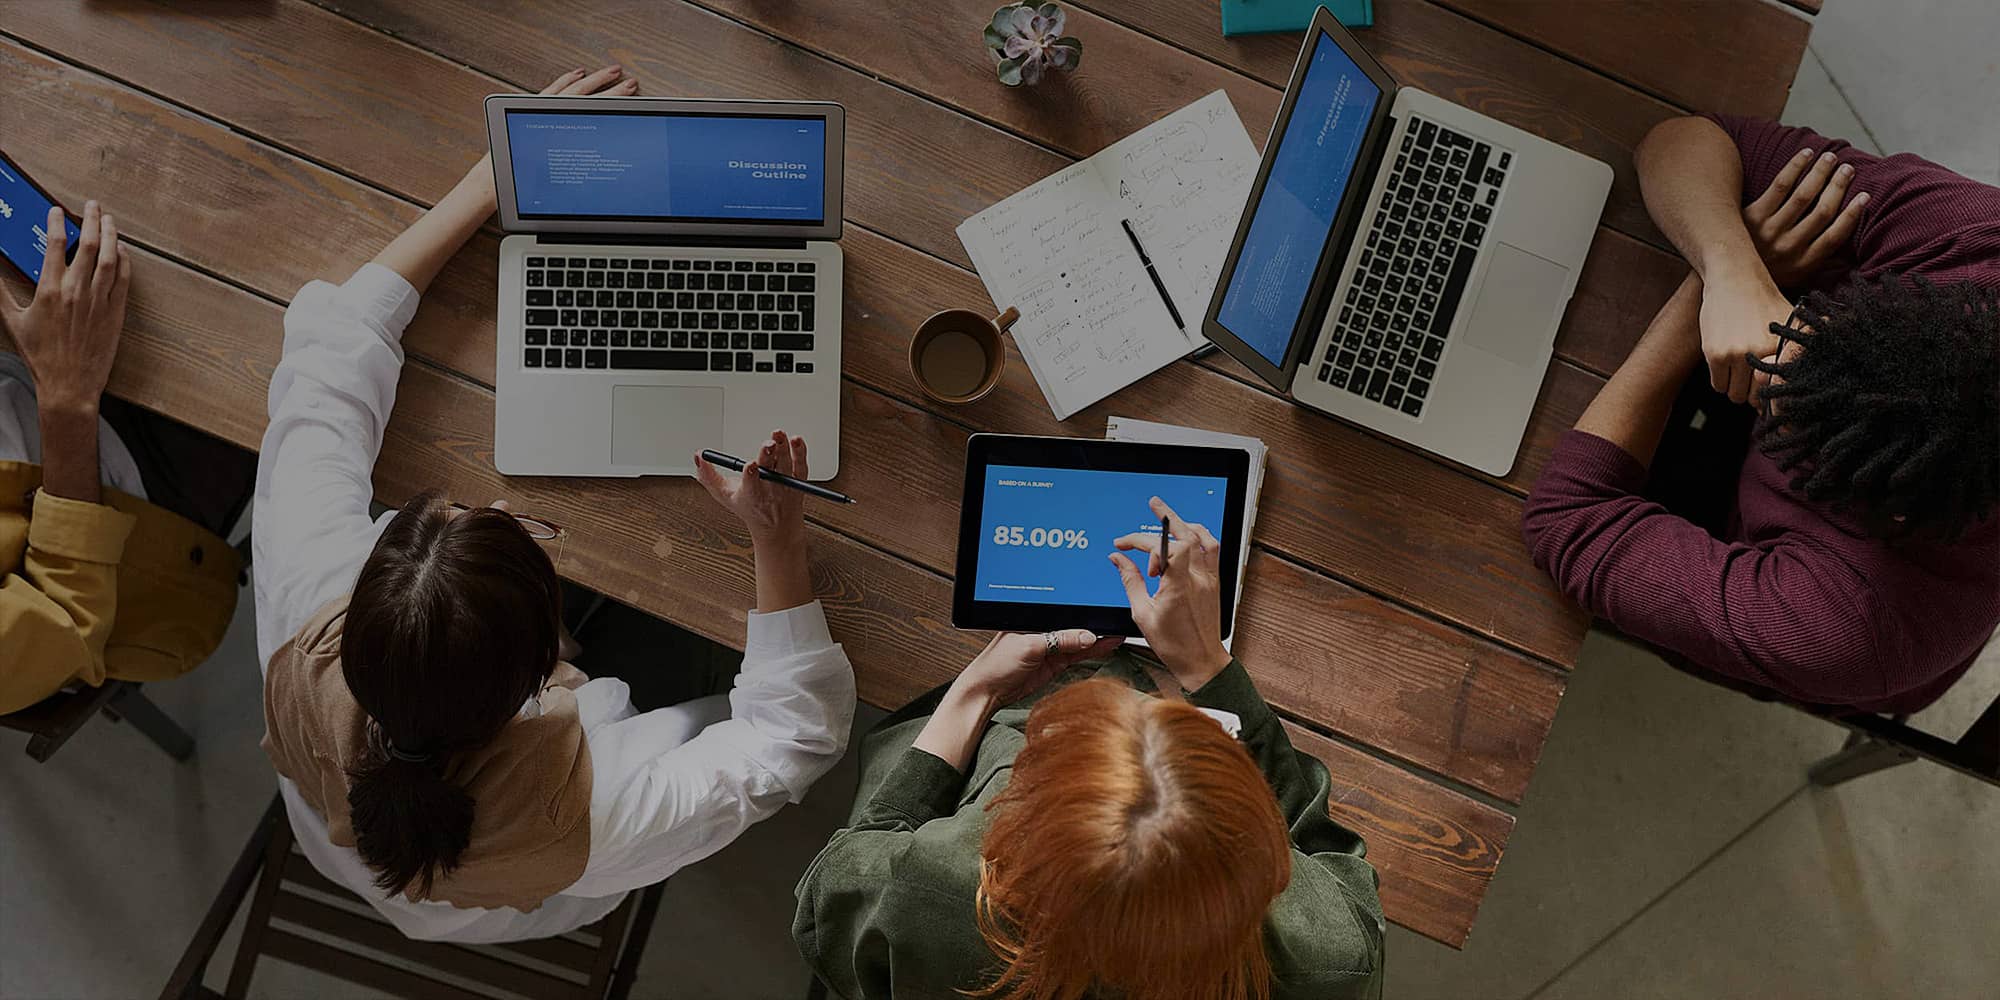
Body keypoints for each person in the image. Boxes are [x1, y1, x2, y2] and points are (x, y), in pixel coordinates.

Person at [254, 64, 855, 942]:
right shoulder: (598, 808)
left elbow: (325, 362)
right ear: (550, 667)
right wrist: (777, 541)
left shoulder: (311, 589)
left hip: (346, 839)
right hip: (526, 895)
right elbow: (794, 735)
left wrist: (487, 184)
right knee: (701, 654)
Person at [793, 497, 1385, 1000]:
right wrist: (1210, 670)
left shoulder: (926, 889)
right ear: (1260, 852)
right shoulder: (1327, 960)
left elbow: (835, 883)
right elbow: (1327, 854)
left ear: (1015, 822)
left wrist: (977, 690)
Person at [1522, 113, 1999, 715]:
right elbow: (1681, 139)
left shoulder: (1848, 626)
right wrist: (1735, 273)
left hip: (1748, 553)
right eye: (1806, 336)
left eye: (1788, 406)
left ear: (1877, 506)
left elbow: (1567, 521)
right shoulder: (1976, 242)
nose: (1766, 364)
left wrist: (1706, 294)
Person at [1, 199, 251, 714]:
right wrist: (68, 399)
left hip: (31, 364)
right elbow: (68, 619)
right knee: (267, 314)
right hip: (125, 496)